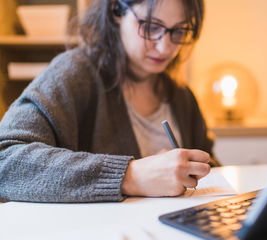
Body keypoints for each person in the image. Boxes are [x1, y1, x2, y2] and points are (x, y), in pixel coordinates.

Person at [0, 0, 219, 203]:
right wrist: (131, 176)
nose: (165, 47)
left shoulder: (182, 96)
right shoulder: (74, 74)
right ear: (116, 10)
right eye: (151, 27)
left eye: (179, 31)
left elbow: (212, 167)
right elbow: (5, 160)